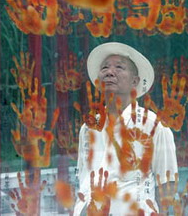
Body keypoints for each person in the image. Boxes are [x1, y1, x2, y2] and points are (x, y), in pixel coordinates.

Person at [74, 42, 178, 215]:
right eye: (105, 67)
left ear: (135, 81)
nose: (109, 72)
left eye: (119, 67)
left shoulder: (154, 126)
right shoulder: (88, 129)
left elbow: (167, 188)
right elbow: (84, 181)